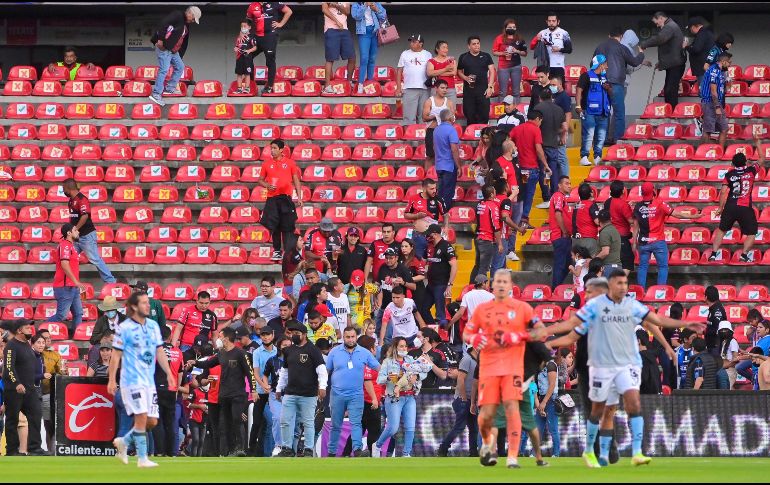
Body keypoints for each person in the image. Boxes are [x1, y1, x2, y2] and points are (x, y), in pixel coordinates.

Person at [541, 270, 704, 468]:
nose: (623, 287)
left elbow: (654, 322)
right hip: (595, 366)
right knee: (599, 410)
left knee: (627, 404)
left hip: (623, 364)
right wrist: (548, 335)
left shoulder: (627, 306)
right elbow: (571, 332)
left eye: (591, 292)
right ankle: (594, 450)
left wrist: (675, 335)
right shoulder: (592, 310)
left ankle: (632, 451)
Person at [463, 269, 536, 469]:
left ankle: (512, 456)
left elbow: (539, 332)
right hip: (488, 368)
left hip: (513, 368)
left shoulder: (523, 309)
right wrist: (475, 338)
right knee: (486, 413)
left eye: (505, 281)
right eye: (498, 281)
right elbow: (467, 333)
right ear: (492, 286)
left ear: (511, 285)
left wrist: (519, 336)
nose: (502, 285)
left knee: (512, 409)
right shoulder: (481, 310)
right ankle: (488, 445)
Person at [109, 292, 174, 468]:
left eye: (148, 303)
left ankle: (124, 441)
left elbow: (159, 351)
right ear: (135, 307)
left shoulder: (153, 326)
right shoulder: (125, 328)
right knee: (141, 417)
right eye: (144, 303)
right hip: (131, 380)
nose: (148, 306)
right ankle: (142, 458)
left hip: (149, 381)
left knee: (152, 421)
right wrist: (111, 379)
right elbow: (116, 355)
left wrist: (169, 373)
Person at [191, 327, 256, 457]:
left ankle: (240, 447)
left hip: (238, 393)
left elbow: (250, 373)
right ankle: (232, 450)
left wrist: (253, 390)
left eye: (220, 336)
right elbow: (209, 364)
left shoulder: (241, 353)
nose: (218, 339)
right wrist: (195, 362)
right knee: (227, 423)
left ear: (226, 338)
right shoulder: (221, 354)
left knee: (237, 418)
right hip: (224, 394)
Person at [633, 182, 701, 288]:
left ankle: (641, 291)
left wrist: (634, 243)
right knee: (663, 267)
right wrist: (693, 216)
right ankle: (660, 291)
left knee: (642, 267)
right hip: (658, 241)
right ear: (653, 190)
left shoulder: (638, 206)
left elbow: (636, 225)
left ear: (642, 192)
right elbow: (677, 214)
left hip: (643, 242)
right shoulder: (660, 203)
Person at [325, 326, 380, 457]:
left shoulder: (365, 353)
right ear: (343, 337)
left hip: (356, 394)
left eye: (352, 337)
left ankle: (357, 450)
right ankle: (331, 452)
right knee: (335, 425)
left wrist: (390, 374)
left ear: (356, 337)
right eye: (347, 337)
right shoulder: (334, 352)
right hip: (337, 394)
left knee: (356, 423)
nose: (350, 340)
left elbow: (378, 368)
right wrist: (320, 387)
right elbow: (326, 372)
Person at [276, 322, 327, 457]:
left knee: (308, 422)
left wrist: (322, 387)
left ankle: (309, 449)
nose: (294, 336)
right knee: (285, 420)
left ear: (304, 335)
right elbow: (284, 372)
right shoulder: (288, 351)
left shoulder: (313, 350)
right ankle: (287, 448)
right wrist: (279, 388)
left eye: (297, 334)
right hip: (290, 392)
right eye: (292, 333)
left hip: (308, 394)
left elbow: (322, 370)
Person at [711, 137, 766, 263]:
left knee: (722, 230)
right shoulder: (751, 171)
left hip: (730, 206)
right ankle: (744, 255)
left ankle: (713, 254)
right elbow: (762, 159)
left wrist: (720, 208)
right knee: (752, 232)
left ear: (733, 164)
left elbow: (724, 192)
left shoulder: (729, 175)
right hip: (745, 207)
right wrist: (757, 143)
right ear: (746, 162)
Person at [372, 338, 428, 458]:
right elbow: (379, 380)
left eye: (405, 346)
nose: (404, 349)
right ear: (395, 348)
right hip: (393, 397)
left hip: (409, 396)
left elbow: (423, 371)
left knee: (410, 426)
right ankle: (377, 445)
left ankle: (406, 453)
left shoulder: (410, 360)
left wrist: (417, 376)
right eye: (401, 346)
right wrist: (388, 377)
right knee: (392, 428)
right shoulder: (388, 361)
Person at [1, 320, 45, 456]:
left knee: (36, 415)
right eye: (27, 328)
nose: (31, 330)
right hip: (14, 390)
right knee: (12, 420)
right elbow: (9, 367)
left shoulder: (26, 344)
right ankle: (12, 450)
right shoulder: (11, 346)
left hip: (29, 390)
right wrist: (16, 383)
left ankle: (34, 448)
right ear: (19, 331)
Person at [594, 27, 645, 140]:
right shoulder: (622, 48)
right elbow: (635, 62)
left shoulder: (599, 47)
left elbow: (592, 65)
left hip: (601, 83)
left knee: (603, 112)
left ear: (609, 35)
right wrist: (641, 53)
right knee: (619, 113)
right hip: (616, 83)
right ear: (621, 36)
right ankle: (617, 141)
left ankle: (601, 140)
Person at [62, 178, 116, 284]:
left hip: (86, 235)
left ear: (69, 188)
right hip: (76, 237)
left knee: (95, 259)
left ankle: (111, 282)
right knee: (67, 257)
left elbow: (85, 216)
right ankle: (67, 281)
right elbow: (73, 218)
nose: (63, 191)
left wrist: (75, 229)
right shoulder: (70, 201)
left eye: (64, 189)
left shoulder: (82, 199)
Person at [258, 139, 303, 262]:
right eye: (271, 148)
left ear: (281, 149)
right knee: (275, 225)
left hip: (286, 198)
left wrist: (299, 197)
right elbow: (260, 180)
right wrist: (267, 185)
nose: (272, 151)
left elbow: (296, 180)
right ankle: (277, 250)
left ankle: (287, 251)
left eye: (274, 148)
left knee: (288, 226)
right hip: (272, 199)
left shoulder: (290, 163)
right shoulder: (266, 164)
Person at [148, 6, 202, 106]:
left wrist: (179, 54)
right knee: (164, 69)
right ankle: (156, 94)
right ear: (190, 13)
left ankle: (169, 88)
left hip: (173, 50)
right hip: (164, 48)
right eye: (194, 18)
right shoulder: (178, 15)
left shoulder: (186, 24)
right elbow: (163, 24)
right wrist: (160, 39)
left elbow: (183, 40)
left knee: (180, 67)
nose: (193, 21)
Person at [510, 109, 551, 228]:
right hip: (531, 168)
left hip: (519, 168)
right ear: (538, 119)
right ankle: (524, 220)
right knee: (529, 194)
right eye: (540, 121)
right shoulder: (535, 129)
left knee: (521, 194)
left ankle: (517, 218)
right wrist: (545, 164)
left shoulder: (517, 128)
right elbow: (538, 149)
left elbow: (508, 140)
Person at [639, 11, 686, 107]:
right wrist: (662, 62)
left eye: (656, 23)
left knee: (670, 90)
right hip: (674, 63)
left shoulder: (669, 27)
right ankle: (671, 111)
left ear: (661, 18)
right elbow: (669, 47)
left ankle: (672, 113)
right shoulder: (672, 26)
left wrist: (644, 44)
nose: (656, 25)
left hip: (675, 64)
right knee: (669, 90)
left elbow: (660, 39)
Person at [438, 346, 479, 457]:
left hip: (471, 399)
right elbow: (460, 379)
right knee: (460, 426)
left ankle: (473, 452)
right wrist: (464, 398)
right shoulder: (467, 359)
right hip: (463, 399)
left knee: (474, 427)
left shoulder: (476, 360)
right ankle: (443, 447)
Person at [245, 1, 293, 95]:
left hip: (270, 36)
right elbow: (248, 20)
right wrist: (246, 33)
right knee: (247, 56)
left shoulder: (275, 3)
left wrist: (281, 24)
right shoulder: (252, 5)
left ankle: (269, 86)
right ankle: (251, 83)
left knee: (270, 60)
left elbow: (289, 11)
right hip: (257, 37)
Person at [46, 223, 86, 333]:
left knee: (78, 313)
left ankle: (77, 336)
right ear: (69, 233)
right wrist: (76, 282)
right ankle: (41, 331)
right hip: (64, 287)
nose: (78, 232)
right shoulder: (65, 245)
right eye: (75, 230)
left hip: (72, 287)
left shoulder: (71, 246)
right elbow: (64, 264)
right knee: (61, 316)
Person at [152, 325, 184, 458]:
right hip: (172, 389)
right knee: (170, 422)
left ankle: (160, 451)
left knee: (158, 422)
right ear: (170, 336)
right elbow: (181, 373)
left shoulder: (155, 350)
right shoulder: (178, 352)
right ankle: (171, 452)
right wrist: (176, 388)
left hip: (157, 388)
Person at [576, 55, 611, 166]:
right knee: (588, 134)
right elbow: (578, 90)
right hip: (589, 111)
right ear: (600, 64)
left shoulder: (605, 78)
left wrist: (608, 88)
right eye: (605, 63)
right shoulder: (586, 76)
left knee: (601, 136)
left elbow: (611, 94)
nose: (607, 66)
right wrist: (578, 106)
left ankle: (597, 156)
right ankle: (584, 156)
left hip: (603, 112)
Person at [375, 248, 416, 341]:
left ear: (397, 257)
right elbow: (378, 284)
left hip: (396, 308)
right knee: (377, 330)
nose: (388, 260)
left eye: (391, 258)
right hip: (383, 306)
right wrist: (376, 296)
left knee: (389, 334)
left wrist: (403, 282)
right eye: (386, 258)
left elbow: (414, 286)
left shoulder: (403, 269)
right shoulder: (383, 267)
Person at [424, 224, 458, 329]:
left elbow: (454, 266)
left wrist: (450, 285)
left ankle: (443, 337)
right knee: (423, 308)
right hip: (430, 284)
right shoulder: (430, 246)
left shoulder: (445, 246)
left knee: (440, 314)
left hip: (441, 285)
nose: (427, 237)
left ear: (435, 234)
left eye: (429, 234)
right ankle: (434, 329)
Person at [405, 178, 448, 259]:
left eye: (435, 188)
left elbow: (445, 214)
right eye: (431, 189)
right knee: (418, 261)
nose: (434, 190)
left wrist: (446, 227)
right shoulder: (414, 199)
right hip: (418, 235)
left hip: (433, 236)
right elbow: (406, 215)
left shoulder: (438, 199)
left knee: (434, 261)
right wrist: (417, 216)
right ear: (424, 188)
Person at [457, 35, 496, 125]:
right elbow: (459, 72)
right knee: (470, 115)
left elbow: (492, 71)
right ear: (469, 46)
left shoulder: (486, 56)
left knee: (484, 116)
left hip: (483, 92)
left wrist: (490, 87)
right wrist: (466, 78)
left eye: (478, 43)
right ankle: (471, 136)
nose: (477, 46)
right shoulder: (463, 57)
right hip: (469, 93)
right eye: (474, 44)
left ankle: (483, 136)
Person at [534, 89, 565, 199]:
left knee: (544, 171)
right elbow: (564, 127)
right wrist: (561, 136)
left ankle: (546, 196)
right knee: (554, 171)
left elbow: (534, 127)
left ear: (540, 98)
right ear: (551, 97)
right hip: (553, 144)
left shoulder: (538, 108)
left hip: (541, 145)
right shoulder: (559, 109)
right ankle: (554, 194)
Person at [470, 185, 503, 284]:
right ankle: (479, 290)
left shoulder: (480, 204)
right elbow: (495, 226)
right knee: (483, 268)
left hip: (478, 238)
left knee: (478, 265)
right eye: (495, 191)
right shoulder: (493, 207)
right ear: (492, 194)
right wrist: (500, 243)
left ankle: (470, 287)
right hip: (487, 240)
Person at [351, 2, 387, 94]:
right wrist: (365, 6)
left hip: (375, 33)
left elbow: (383, 16)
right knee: (364, 59)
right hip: (364, 33)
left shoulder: (375, 3)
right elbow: (356, 16)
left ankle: (370, 82)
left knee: (372, 59)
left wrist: (376, 10)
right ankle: (360, 84)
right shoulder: (356, 4)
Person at [397, 34, 432, 125]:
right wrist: (398, 88)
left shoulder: (428, 54)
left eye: (414, 42)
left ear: (421, 44)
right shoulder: (405, 53)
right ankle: (409, 137)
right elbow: (399, 71)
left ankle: (422, 137)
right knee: (409, 116)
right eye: (411, 41)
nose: (411, 44)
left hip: (425, 89)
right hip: (409, 88)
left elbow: (431, 70)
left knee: (423, 115)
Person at [699, 51, 732, 150]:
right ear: (724, 61)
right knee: (708, 130)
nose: (730, 64)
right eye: (729, 62)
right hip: (710, 102)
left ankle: (719, 151)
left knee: (724, 128)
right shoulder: (714, 71)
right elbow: (713, 91)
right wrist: (717, 106)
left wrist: (729, 82)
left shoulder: (722, 71)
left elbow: (725, 89)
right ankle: (702, 152)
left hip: (717, 103)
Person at [38, 329, 65, 450]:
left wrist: (64, 371)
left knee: (48, 423)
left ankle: (50, 450)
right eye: (45, 338)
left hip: (48, 393)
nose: (48, 340)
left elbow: (62, 373)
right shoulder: (33, 353)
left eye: (49, 337)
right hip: (33, 393)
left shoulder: (55, 355)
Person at [322, 2, 356, 94]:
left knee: (352, 57)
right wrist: (336, 21)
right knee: (330, 58)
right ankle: (327, 86)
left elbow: (347, 12)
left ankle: (349, 81)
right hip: (331, 29)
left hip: (344, 29)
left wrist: (336, 5)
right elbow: (324, 9)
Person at [422, 80, 456, 172]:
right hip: (432, 131)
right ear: (436, 88)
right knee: (430, 155)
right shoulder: (429, 101)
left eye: (446, 88)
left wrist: (447, 118)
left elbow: (453, 118)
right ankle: (427, 178)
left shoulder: (449, 102)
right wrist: (435, 116)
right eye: (442, 88)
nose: (444, 90)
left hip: (445, 132)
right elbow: (424, 117)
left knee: (446, 155)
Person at [432, 109, 462, 210]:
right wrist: (459, 166)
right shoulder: (451, 130)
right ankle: (444, 213)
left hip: (439, 165)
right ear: (450, 117)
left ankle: (439, 211)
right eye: (453, 115)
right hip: (449, 165)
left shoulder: (436, 129)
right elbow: (454, 149)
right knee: (448, 192)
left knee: (441, 190)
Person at [603, 181, 635, 274]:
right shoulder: (623, 204)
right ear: (623, 191)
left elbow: (614, 211)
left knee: (612, 261)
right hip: (621, 237)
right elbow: (631, 221)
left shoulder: (607, 202)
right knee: (628, 261)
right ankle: (619, 282)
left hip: (609, 235)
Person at [493, 18, 527, 104]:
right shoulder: (499, 38)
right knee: (502, 92)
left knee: (516, 91)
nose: (512, 28)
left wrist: (517, 51)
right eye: (509, 27)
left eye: (514, 27)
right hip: (503, 67)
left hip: (516, 66)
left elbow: (525, 53)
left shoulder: (519, 38)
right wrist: (503, 53)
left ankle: (516, 110)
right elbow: (494, 52)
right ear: (505, 28)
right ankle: (501, 112)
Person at [531, 12, 573, 80]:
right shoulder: (542, 32)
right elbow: (532, 47)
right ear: (546, 22)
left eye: (553, 21)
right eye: (549, 21)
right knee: (545, 89)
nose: (551, 23)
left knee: (557, 88)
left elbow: (569, 49)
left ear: (558, 22)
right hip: (544, 66)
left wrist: (559, 49)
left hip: (558, 66)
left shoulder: (564, 33)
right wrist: (536, 40)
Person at [549, 176, 573, 289]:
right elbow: (558, 214)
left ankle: (557, 288)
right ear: (559, 185)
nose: (569, 185)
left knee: (568, 264)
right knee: (560, 265)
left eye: (570, 183)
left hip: (562, 236)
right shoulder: (559, 196)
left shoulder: (562, 197)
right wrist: (564, 231)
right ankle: (555, 290)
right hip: (560, 236)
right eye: (566, 183)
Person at [534, 355, 560, 457]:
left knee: (553, 428)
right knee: (537, 428)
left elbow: (552, 384)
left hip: (550, 399)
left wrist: (544, 402)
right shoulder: (542, 365)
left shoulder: (551, 365)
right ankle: (534, 452)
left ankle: (556, 453)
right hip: (542, 399)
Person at [548, 75, 572, 180]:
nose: (552, 87)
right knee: (555, 159)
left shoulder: (564, 97)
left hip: (560, 131)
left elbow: (568, 114)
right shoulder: (553, 96)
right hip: (552, 131)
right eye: (551, 85)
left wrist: (564, 132)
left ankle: (565, 181)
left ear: (560, 85)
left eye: (554, 85)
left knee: (561, 158)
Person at [572, 182, 601, 255]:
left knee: (578, 264)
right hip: (589, 239)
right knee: (590, 264)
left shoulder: (577, 205)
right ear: (591, 194)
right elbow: (597, 222)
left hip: (576, 239)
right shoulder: (592, 205)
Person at [685, 16, 715, 86]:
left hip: (702, 68)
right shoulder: (708, 33)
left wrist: (686, 47)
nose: (690, 31)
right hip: (707, 66)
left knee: (704, 91)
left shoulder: (702, 34)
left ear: (693, 27)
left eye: (690, 28)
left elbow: (696, 49)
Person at [427, 40, 458, 106]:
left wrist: (437, 73)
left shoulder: (451, 60)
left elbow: (453, 73)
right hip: (436, 89)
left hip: (450, 88)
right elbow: (429, 73)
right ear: (437, 49)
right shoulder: (431, 61)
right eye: (443, 47)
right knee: (435, 110)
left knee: (451, 110)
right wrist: (446, 69)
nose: (446, 50)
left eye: (447, 48)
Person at [595, 209, 623, 277]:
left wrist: (593, 261)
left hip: (608, 268)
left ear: (598, 220)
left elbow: (605, 252)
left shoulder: (605, 232)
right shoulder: (614, 230)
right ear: (610, 219)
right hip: (617, 267)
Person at [233, 19, 258, 94]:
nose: (243, 28)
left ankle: (247, 88)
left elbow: (255, 47)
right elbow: (237, 46)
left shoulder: (252, 37)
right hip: (239, 57)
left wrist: (249, 51)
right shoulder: (239, 37)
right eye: (241, 26)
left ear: (249, 27)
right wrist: (236, 49)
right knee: (239, 74)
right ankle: (239, 89)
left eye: (245, 26)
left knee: (247, 73)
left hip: (247, 58)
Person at [636, 330, 662, 394]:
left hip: (643, 398)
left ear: (638, 341)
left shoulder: (640, 358)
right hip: (655, 397)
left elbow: (642, 380)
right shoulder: (653, 358)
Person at [718, 321, 740, 389]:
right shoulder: (722, 342)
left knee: (727, 391)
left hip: (729, 370)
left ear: (730, 331)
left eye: (726, 329)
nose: (724, 331)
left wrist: (726, 366)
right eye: (722, 330)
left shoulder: (732, 341)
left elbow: (736, 359)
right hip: (722, 370)